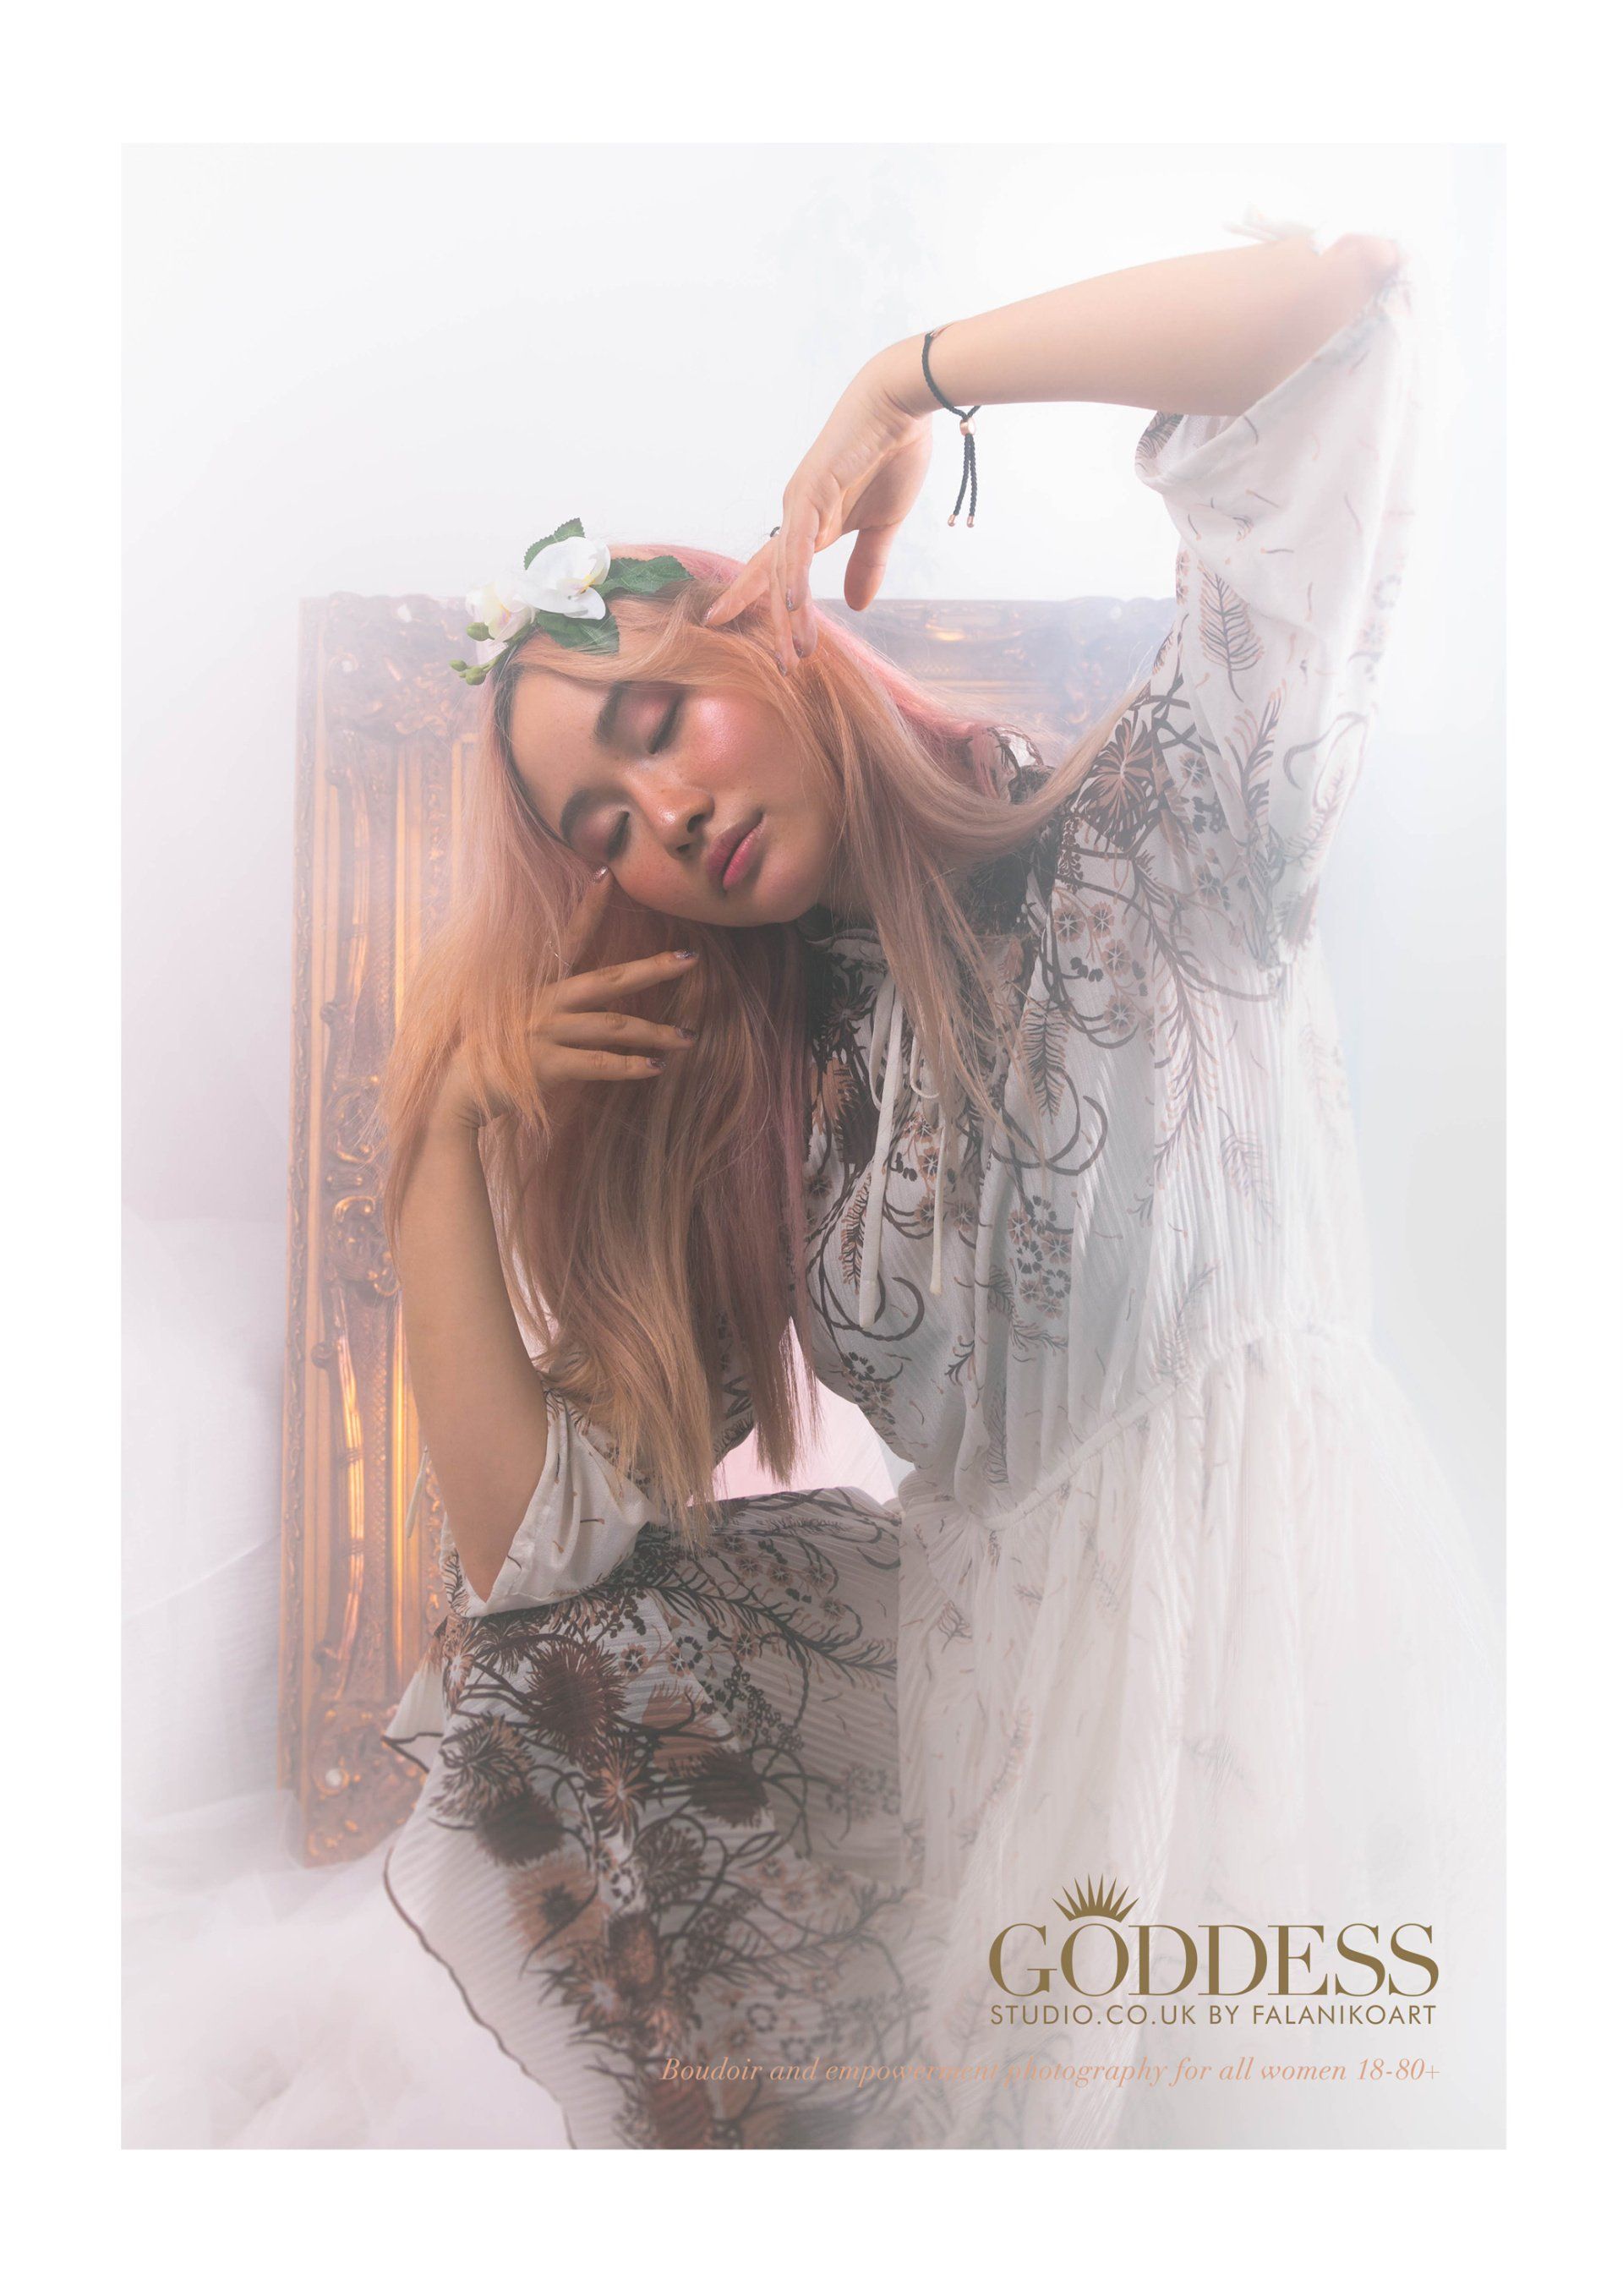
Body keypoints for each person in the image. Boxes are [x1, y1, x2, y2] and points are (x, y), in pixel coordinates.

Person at [376, 215, 1500, 2149]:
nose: (665, 814)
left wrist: (910, 376)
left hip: (1292, 1673)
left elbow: (1338, 313)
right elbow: (538, 1566)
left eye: (657, 721)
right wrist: (439, 1140)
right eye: (603, 821)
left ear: (769, 630)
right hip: (1004, 1760)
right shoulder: (786, 1112)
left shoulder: (1166, 830)